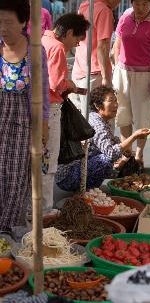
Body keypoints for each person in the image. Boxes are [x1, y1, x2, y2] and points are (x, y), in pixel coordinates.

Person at [0, 0, 49, 231]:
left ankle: (6, 230)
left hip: (22, 124)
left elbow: (43, 92)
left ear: (22, 22)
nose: (3, 28)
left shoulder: (36, 50)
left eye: (8, 22)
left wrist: (43, 128)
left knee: (15, 179)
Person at [55, 86, 150, 191]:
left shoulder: (97, 118)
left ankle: (90, 189)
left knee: (118, 157)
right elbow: (111, 154)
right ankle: (84, 190)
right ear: (97, 105)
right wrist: (134, 136)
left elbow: (110, 140)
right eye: (110, 101)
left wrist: (126, 150)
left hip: (75, 170)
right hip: (67, 177)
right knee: (105, 160)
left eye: (115, 100)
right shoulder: (97, 124)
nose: (116, 105)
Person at [113, 0, 150, 169]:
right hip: (122, 73)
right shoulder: (124, 19)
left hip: (144, 76)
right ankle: (126, 154)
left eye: (144, 4)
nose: (140, 8)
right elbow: (117, 45)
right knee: (123, 115)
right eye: (137, 4)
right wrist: (116, 68)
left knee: (142, 118)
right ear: (131, 3)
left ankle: (139, 153)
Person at [42, 13, 89, 214]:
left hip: (35, 107)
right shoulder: (58, 47)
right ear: (69, 33)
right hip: (50, 109)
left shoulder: (43, 40)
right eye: (77, 40)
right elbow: (57, 84)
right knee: (48, 162)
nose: (75, 46)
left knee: (36, 160)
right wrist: (70, 84)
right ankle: (44, 209)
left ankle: (33, 207)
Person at [71, 0, 125, 117]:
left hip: (79, 69)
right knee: (97, 118)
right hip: (94, 72)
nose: (119, 3)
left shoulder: (86, 4)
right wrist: (106, 77)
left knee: (81, 118)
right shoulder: (104, 11)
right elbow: (102, 46)